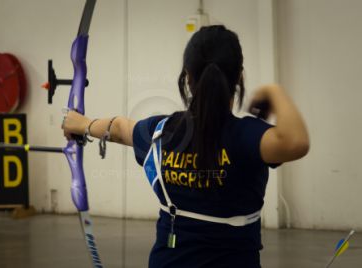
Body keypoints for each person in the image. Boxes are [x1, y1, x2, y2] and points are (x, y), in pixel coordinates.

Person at [62, 25, 309, 268]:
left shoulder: (162, 132)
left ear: (187, 78)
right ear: (239, 77)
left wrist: (82, 123)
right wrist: (275, 91)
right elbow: (296, 141)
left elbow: (118, 128)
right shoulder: (246, 137)